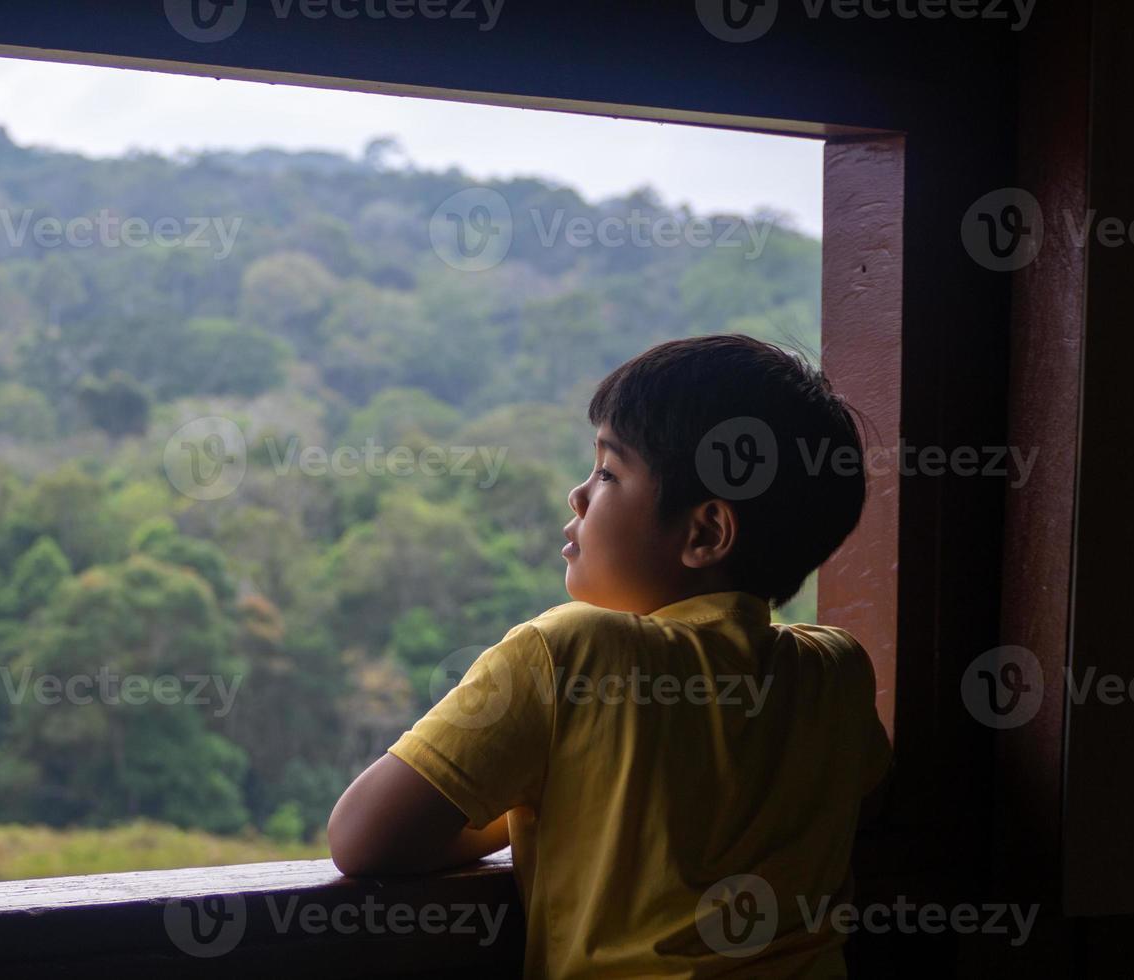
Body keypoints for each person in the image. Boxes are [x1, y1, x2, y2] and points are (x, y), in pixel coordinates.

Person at [329, 334, 892, 978]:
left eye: (607, 472)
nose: (579, 496)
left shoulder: (569, 653)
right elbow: (864, 802)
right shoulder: (835, 670)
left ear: (705, 532)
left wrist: (526, 798)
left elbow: (363, 837)